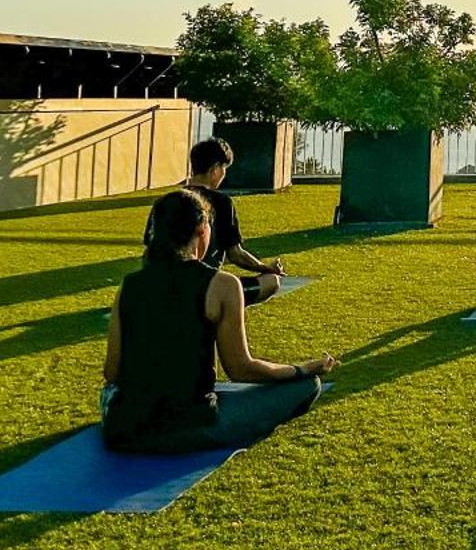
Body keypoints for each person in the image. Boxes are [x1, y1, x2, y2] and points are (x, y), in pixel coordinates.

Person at [103, 187, 338, 454]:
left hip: (123, 429)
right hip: (188, 427)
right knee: (308, 386)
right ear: (202, 230)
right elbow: (241, 369)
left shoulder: (129, 286)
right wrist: (301, 370)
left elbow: (112, 372)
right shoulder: (222, 285)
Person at [150, 137, 288, 306]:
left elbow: (150, 245)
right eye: (223, 168)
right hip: (204, 287)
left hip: (163, 285)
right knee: (271, 281)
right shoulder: (221, 203)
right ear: (215, 169)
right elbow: (236, 254)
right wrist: (266, 268)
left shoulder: (165, 201)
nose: (223, 174)